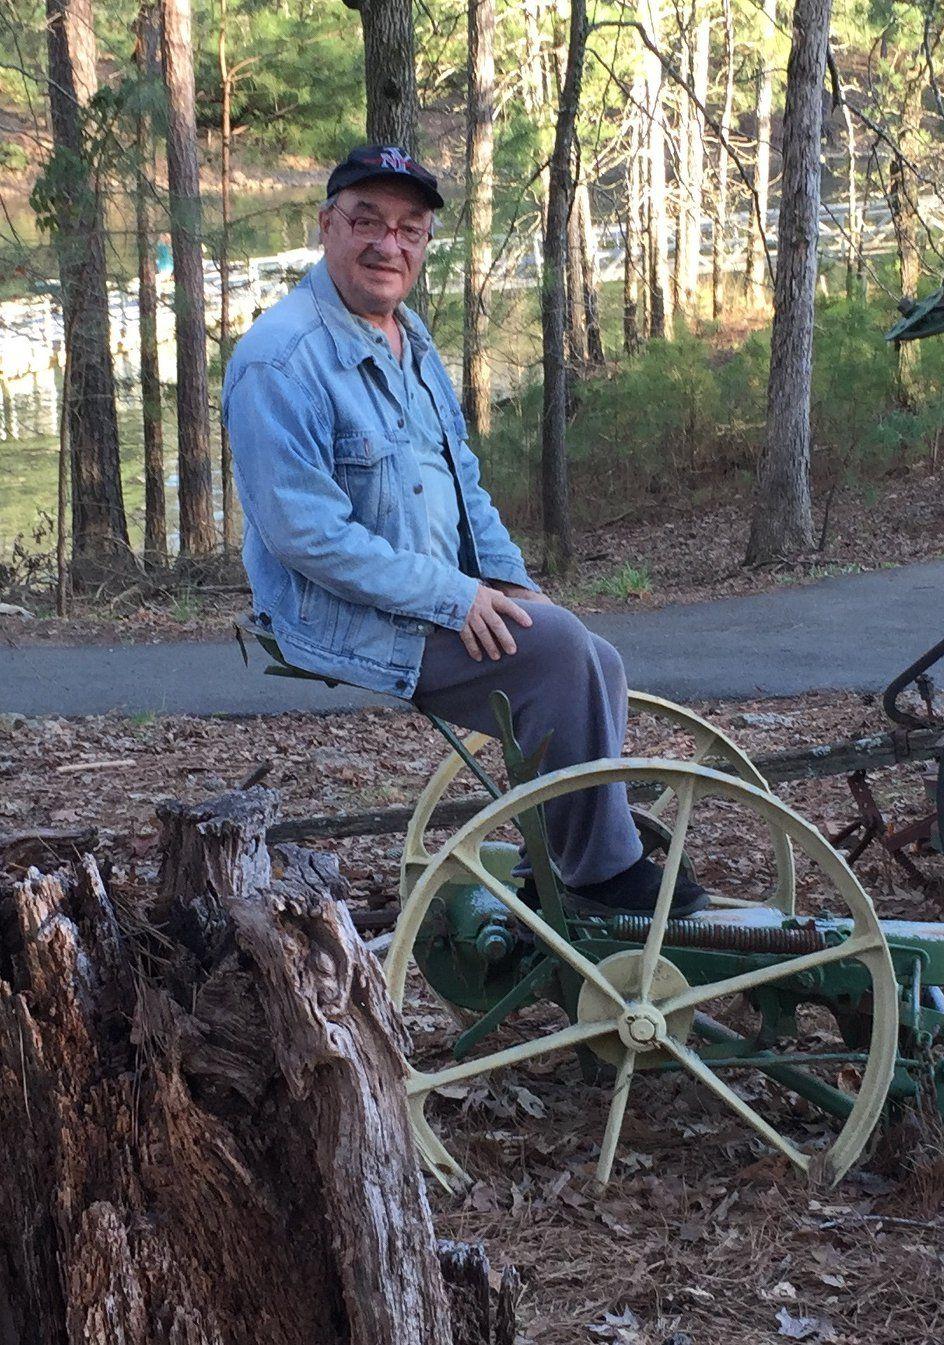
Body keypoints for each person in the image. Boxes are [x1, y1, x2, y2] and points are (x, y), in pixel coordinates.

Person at [223, 145, 706, 916]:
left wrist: (511, 580)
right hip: (334, 612)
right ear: (327, 226)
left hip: (428, 590)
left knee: (593, 654)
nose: (389, 245)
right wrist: (455, 595)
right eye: (367, 222)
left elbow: (463, 482)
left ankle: (558, 855)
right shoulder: (278, 361)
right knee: (559, 659)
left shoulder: (410, 340)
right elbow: (306, 537)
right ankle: (598, 879)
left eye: (409, 230)